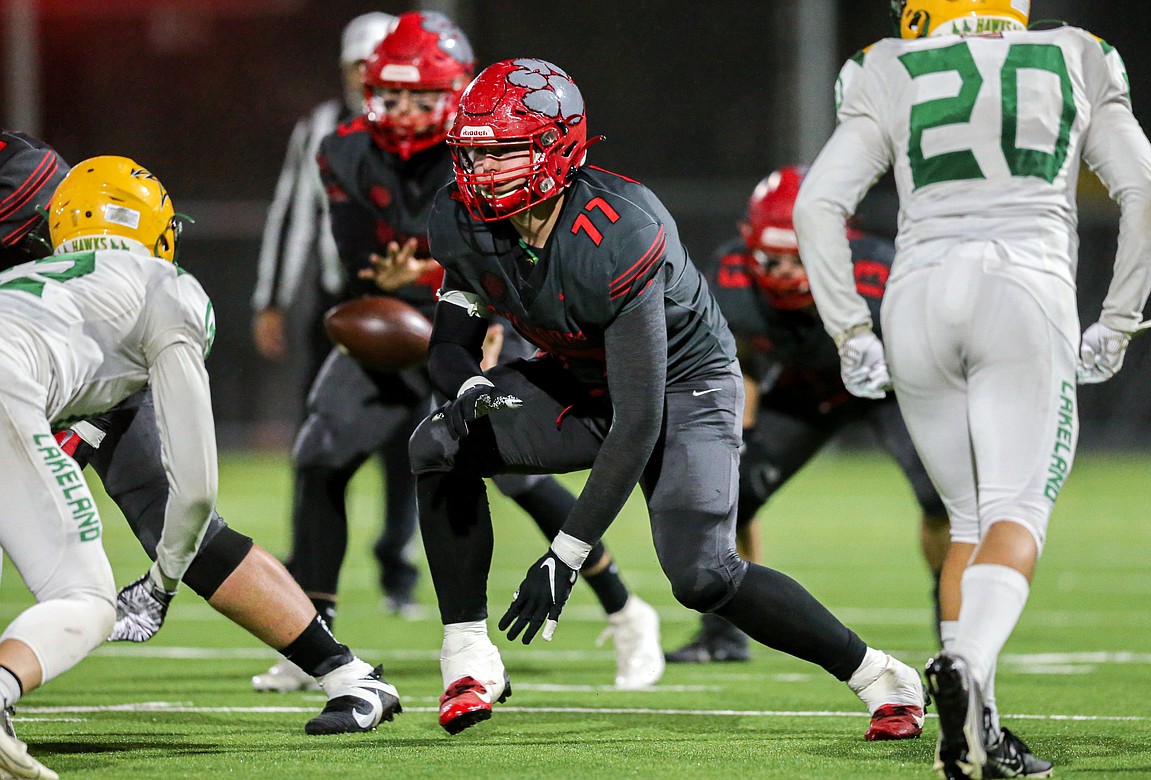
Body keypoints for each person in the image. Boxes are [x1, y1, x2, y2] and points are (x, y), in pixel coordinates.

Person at [409, 56, 927, 739]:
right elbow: (450, 339)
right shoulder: (460, 216)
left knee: (703, 575)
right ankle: (468, 657)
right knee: (439, 443)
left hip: (684, 390)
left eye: (500, 151)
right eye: (472, 153)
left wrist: (565, 556)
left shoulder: (618, 229)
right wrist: (468, 383)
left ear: (555, 147)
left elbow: (639, 418)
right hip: (579, 376)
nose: (480, 171)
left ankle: (883, 677)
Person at [793, 2, 1151, 777]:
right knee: (1016, 512)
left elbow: (816, 205)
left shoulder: (885, 63)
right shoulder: (1077, 53)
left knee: (968, 518)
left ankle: (979, 731)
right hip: (1022, 293)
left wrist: (850, 331)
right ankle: (963, 663)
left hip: (916, 296)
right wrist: (1119, 318)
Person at [260, 12, 664, 696]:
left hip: (488, 313)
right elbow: (367, 264)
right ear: (368, 88)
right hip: (392, 323)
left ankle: (625, 608)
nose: (408, 110)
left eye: (425, 96)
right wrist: (414, 283)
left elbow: (504, 255)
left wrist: (489, 311)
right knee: (321, 453)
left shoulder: (484, 144)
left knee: (516, 473)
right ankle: (314, 639)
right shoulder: (344, 149)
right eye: (393, 92)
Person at [0, 140, 403, 739]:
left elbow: (188, 496)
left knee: (162, 515)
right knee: (105, 572)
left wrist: (83, 427)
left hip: (73, 353)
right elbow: (199, 483)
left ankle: (345, 673)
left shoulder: (32, 186)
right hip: (37, 366)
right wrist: (159, 585)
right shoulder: (167, 286)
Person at [667, 165, 948, 665]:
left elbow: (939, 357)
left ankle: (954, 622)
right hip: (805, 389)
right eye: (769, 260)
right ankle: (724, 631)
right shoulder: (731, 272)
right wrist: (734, 437)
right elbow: (740, 360)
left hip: (895, 387)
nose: (782, 273)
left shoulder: (881, 271)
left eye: (794, 259)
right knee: (732, 488)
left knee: (940, 496)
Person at [248, 11, 428, 636]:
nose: (374, 79)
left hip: (434, 304)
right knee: (320, 447)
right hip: (348, 304)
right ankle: (310, 595)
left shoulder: (443, 127)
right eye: (361, 67)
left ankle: (399, 565)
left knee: (426, 447)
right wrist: (271, 298)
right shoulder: (326, 129)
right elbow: (293, 213)